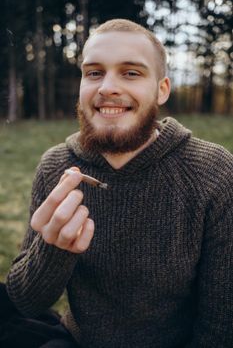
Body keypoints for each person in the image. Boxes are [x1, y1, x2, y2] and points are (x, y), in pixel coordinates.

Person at [1, 18, 233, 347]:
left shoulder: (213, 171)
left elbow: (221, 324)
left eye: (131, 72)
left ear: (162, 89)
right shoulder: (57, 166)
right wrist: (52, 250)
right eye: (94, 72)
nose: (107, 87)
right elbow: (26, 303)